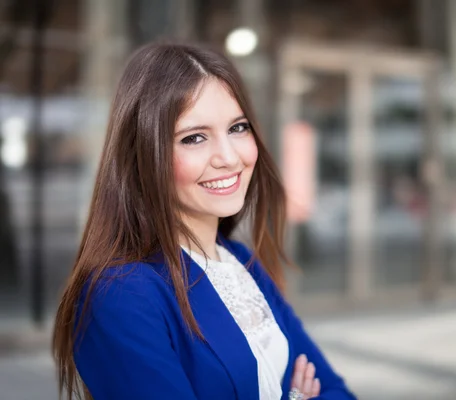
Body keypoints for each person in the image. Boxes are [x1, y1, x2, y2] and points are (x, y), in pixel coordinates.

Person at [52, 42, 356, 400]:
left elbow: (336, 392)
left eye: (238, 128)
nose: (228, 157)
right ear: (143, 157)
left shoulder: (241, 261)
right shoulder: (121, 293)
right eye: (194, 138)